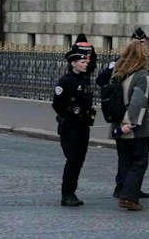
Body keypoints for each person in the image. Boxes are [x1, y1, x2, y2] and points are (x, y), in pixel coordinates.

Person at [113, 40, 149, 211]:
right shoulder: (141, 75)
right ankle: (129, 197)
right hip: (134, 127)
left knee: (125, 161)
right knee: (139, 161)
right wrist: (130, 123)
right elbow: (138, 101)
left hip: (117, 122)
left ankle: (125, 190)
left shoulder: (118, 72)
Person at [53, 44, 96, 207]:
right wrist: (69, 114)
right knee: (72, 160)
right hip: (70, 127)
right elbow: (57, 104)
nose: (85, 64)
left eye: (85, 62)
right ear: (73, 63)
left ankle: (72, 192)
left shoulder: (85, 79)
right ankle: (67, 194)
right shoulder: (65, 81)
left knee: (79, 160)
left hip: (83, 126)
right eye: (82, 62)